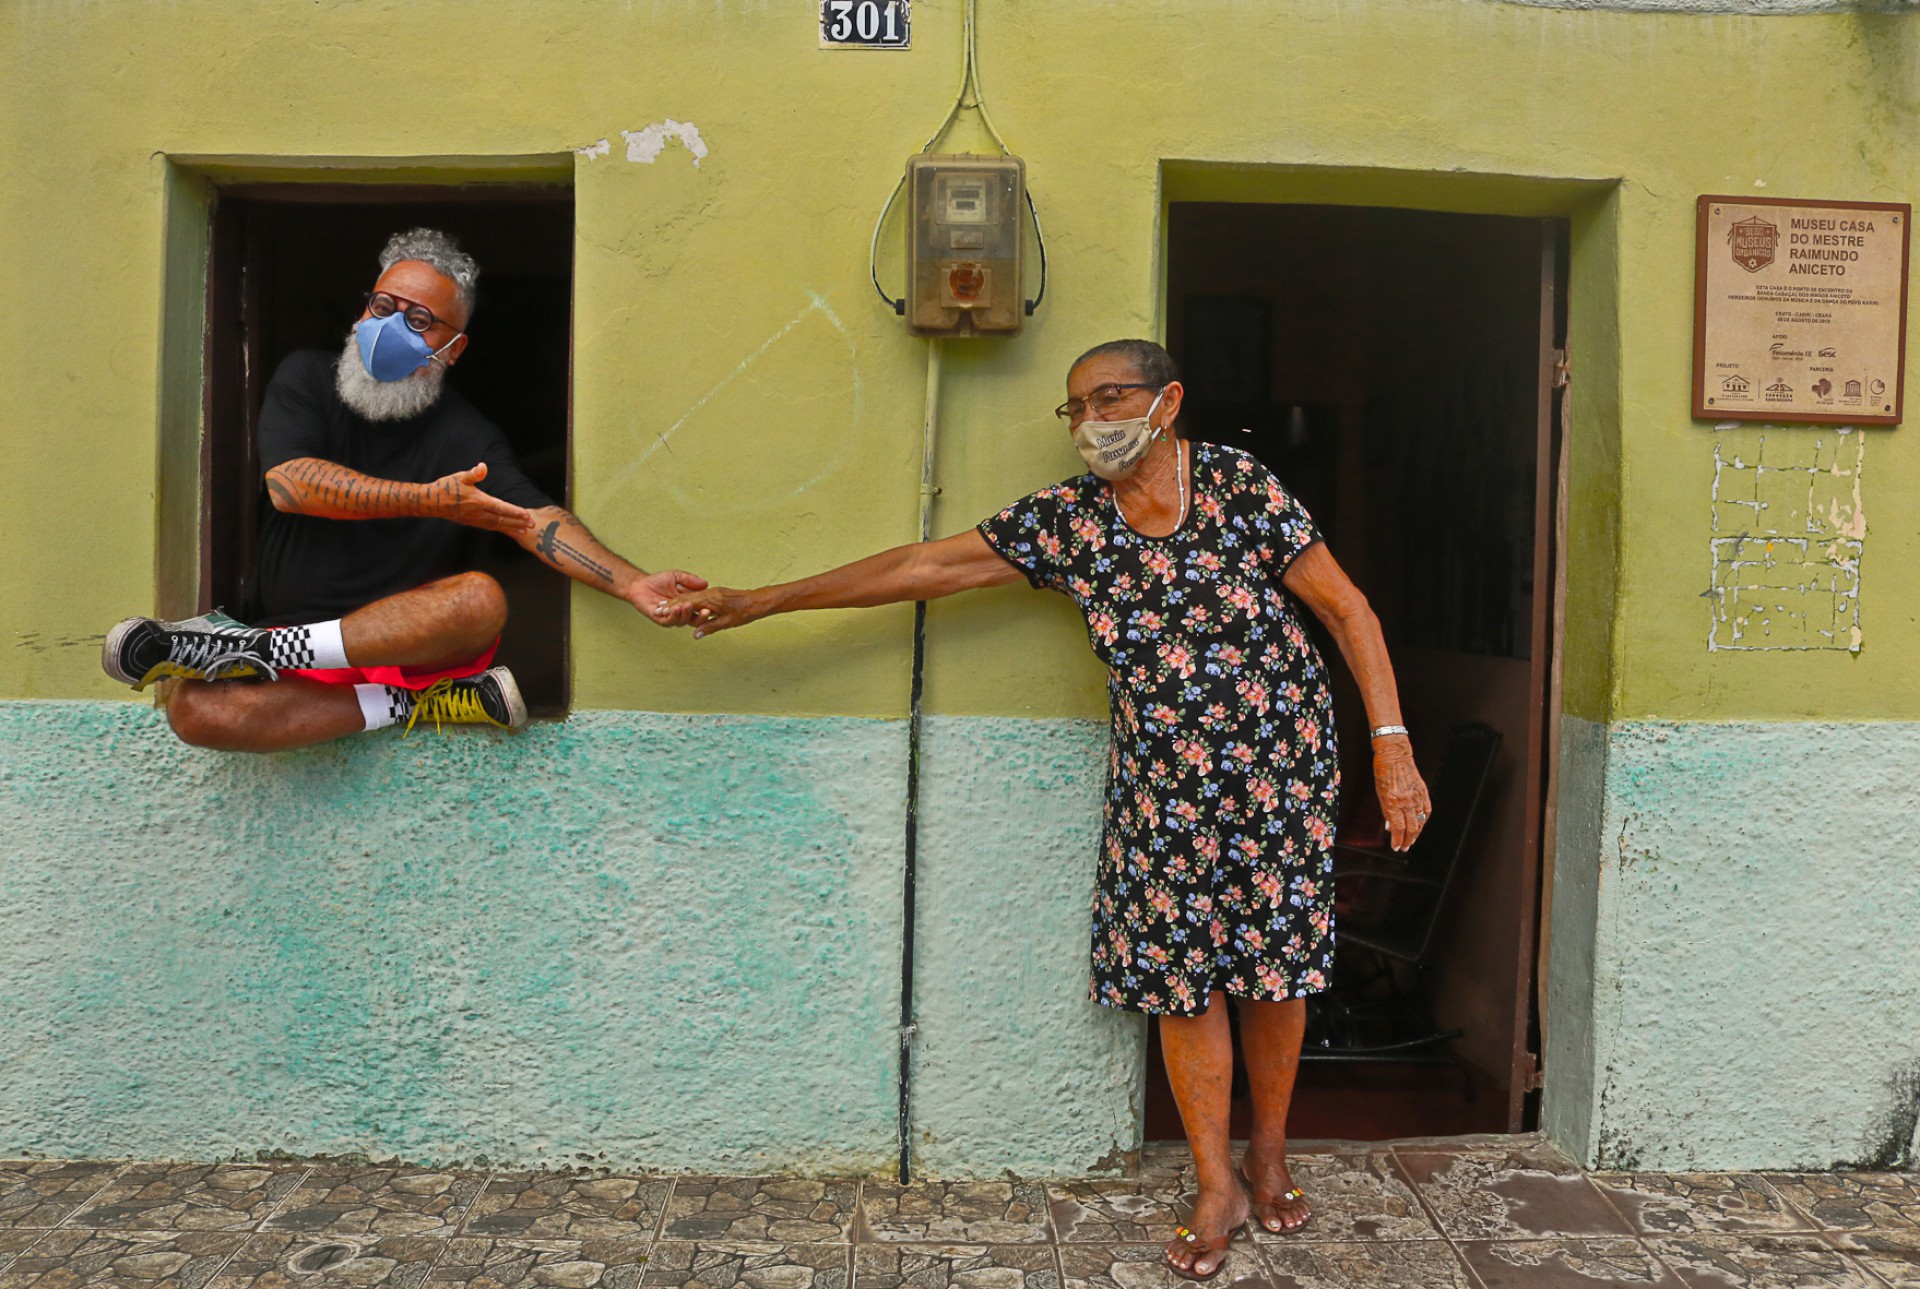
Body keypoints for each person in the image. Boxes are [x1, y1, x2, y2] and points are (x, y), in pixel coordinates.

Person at [667, 339, 1431, 1280]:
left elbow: (1349, 610)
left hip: (1284, 772)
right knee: (1180, 979)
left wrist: (1392, 746)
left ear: (1167, 401)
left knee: (1274, 972)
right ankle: (1215, 1182)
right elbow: (923, 566)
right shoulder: (1070, 521)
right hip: (1163, 788)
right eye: (1076, 408)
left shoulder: (1238, 485)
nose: (1092, 421)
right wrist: (764, 601)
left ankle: (1268, 1153)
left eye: (1109, 397)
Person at [102, 228, 705, 750]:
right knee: (194, 710)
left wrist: (633, 584)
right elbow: (291, 485)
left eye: (418, 320)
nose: (390, 326)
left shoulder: (467, 436)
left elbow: (536, 522)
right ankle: (411, 703)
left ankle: (262, 651)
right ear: (362, 310)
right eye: (383, 306)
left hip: (403, 653)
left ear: (453, 348)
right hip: (297, 646)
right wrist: (428, 499)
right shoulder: (306, 376)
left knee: (479, 600)